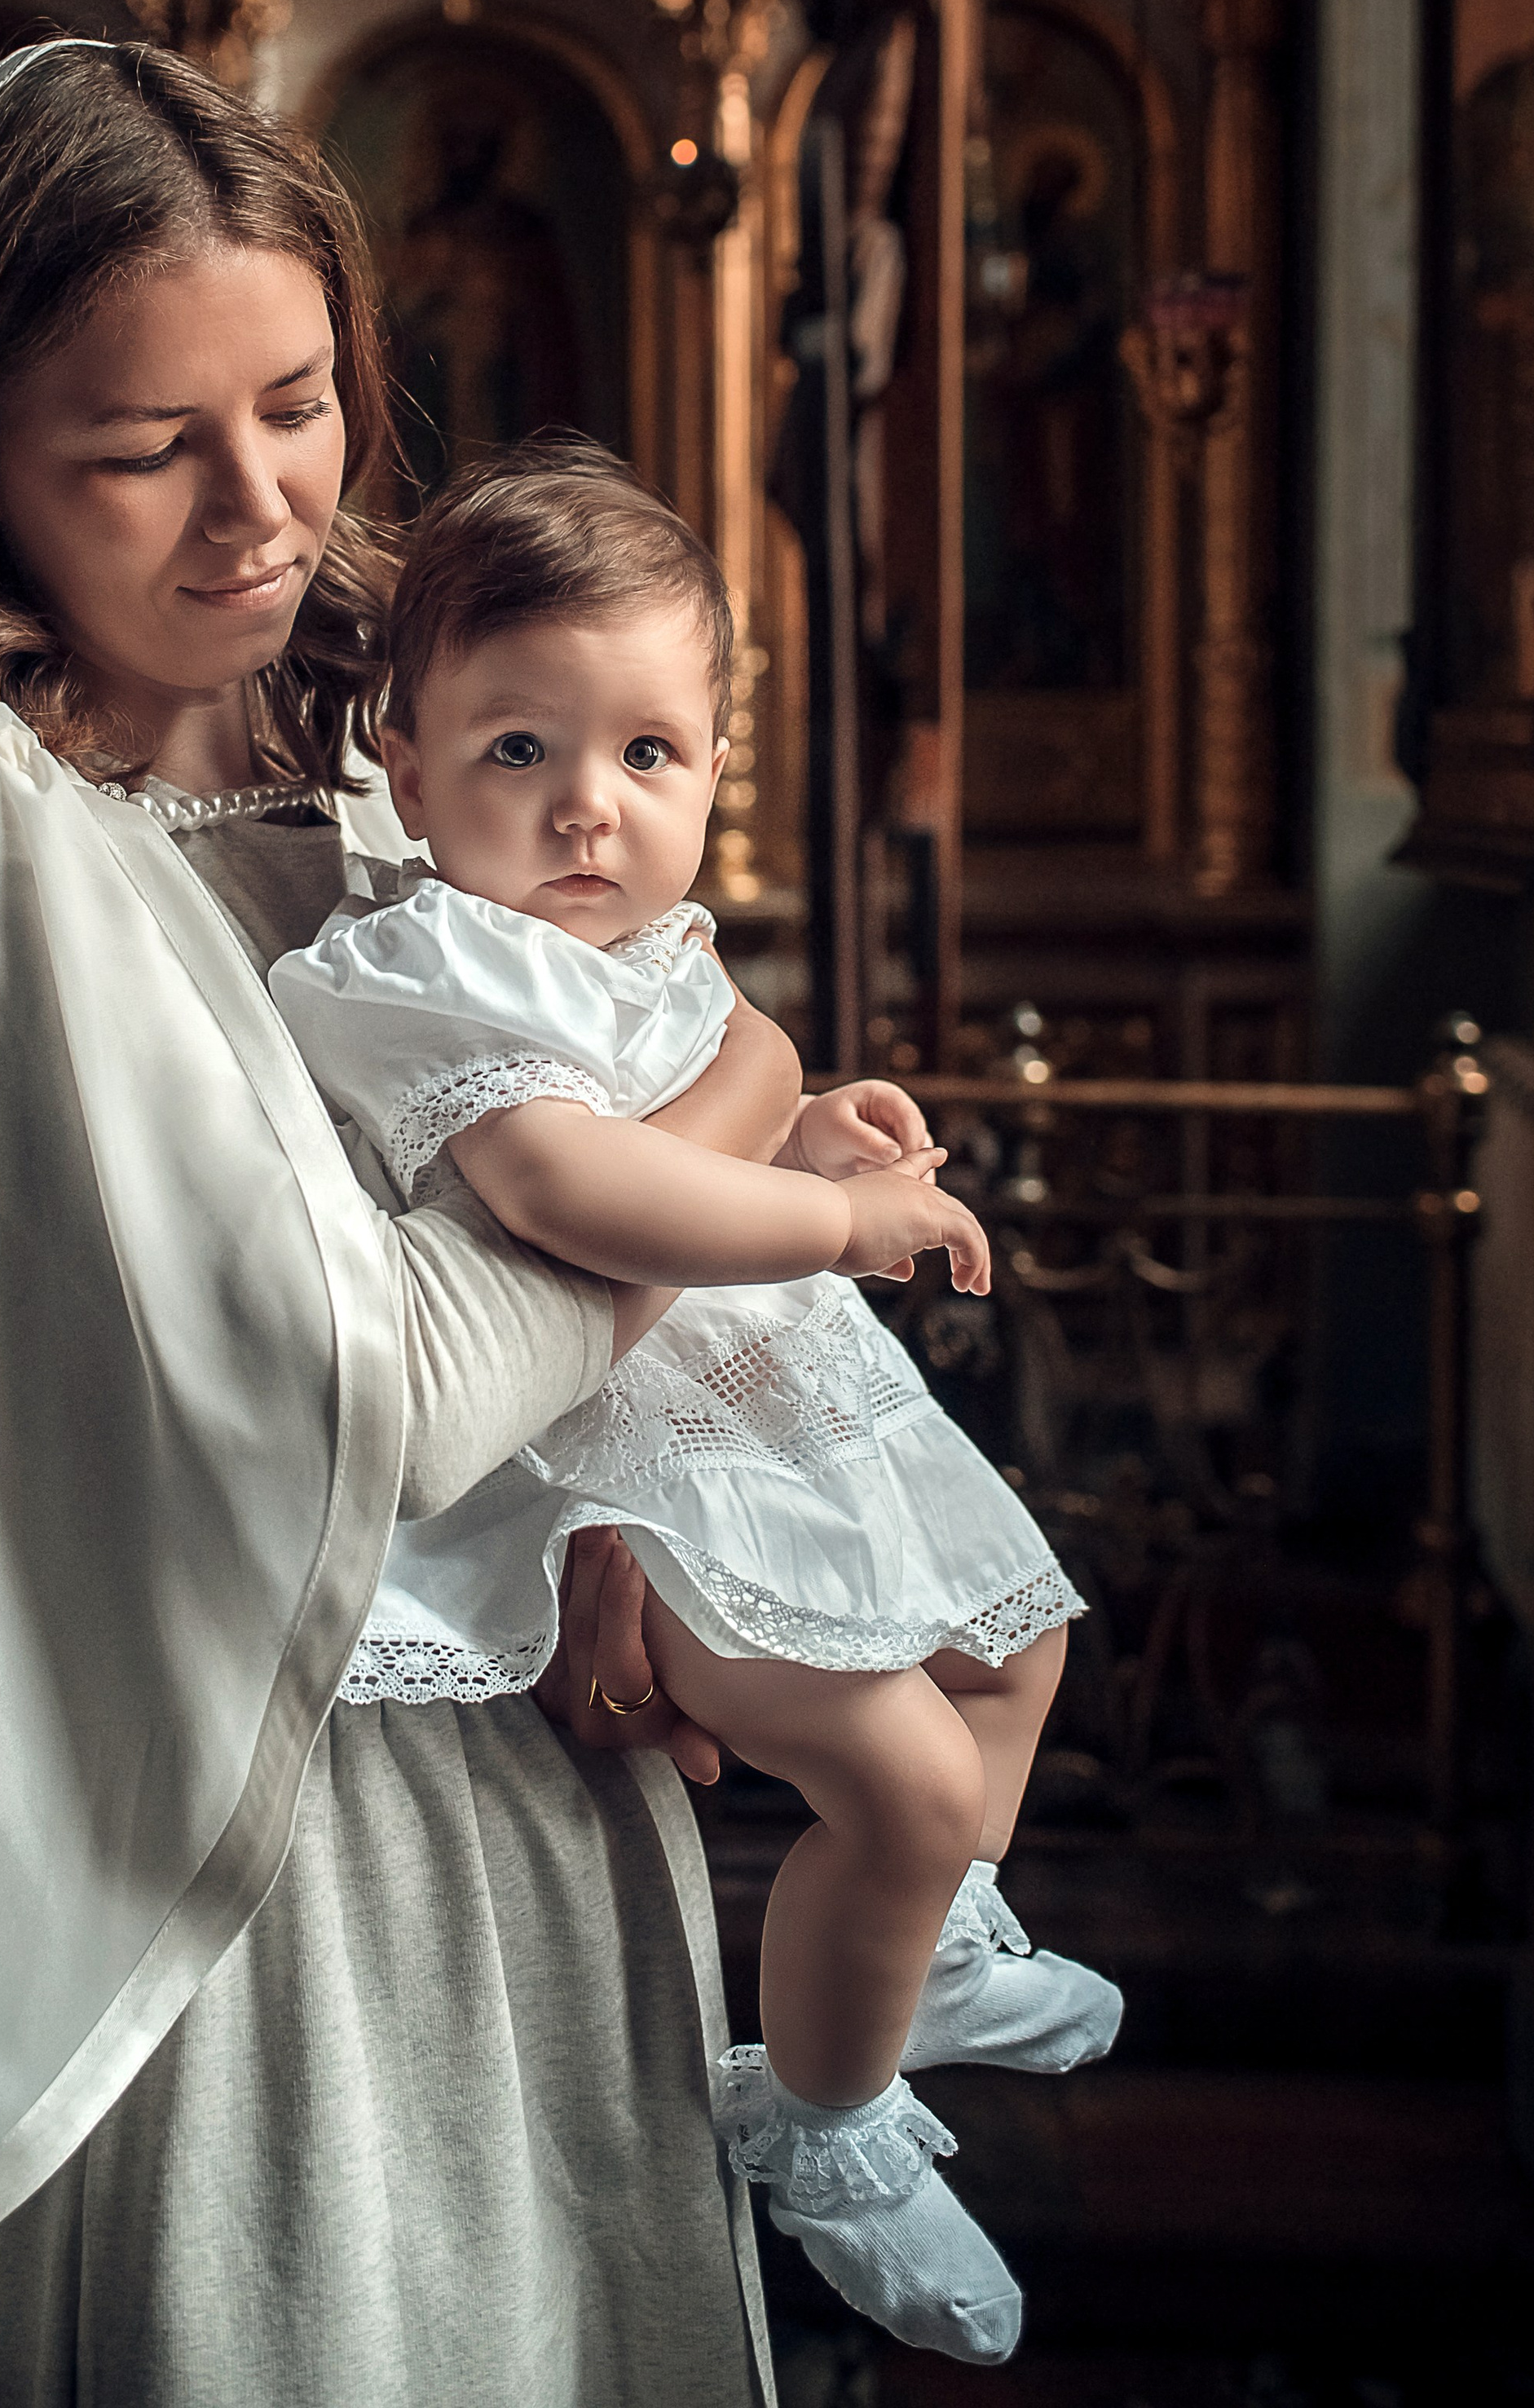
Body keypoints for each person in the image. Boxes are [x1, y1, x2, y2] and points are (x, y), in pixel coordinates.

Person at [0, 42, 782, 2407]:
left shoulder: (404, 750)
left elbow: (561, 1237)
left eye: (302, 404)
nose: (259, 508)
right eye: (147, 447)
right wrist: (749, 1106)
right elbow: (396, 1395)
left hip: (524, 1793)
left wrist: (625, 1511)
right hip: (221, 1869)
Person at [269, 441, 1123, 2367]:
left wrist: (800, 1128)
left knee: (1018, 1647)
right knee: (903, 1777)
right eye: (518, 750)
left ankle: (914, 1948)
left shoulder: (649, 954)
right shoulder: (424, 964)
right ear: (404, 761)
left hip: (765, 1414)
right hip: (620, 1480)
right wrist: (828, 1213)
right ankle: (821, 2121)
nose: (588, 804)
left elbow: (690, 1129)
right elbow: (571, 1187)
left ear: (717, 766)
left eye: (645, 752)